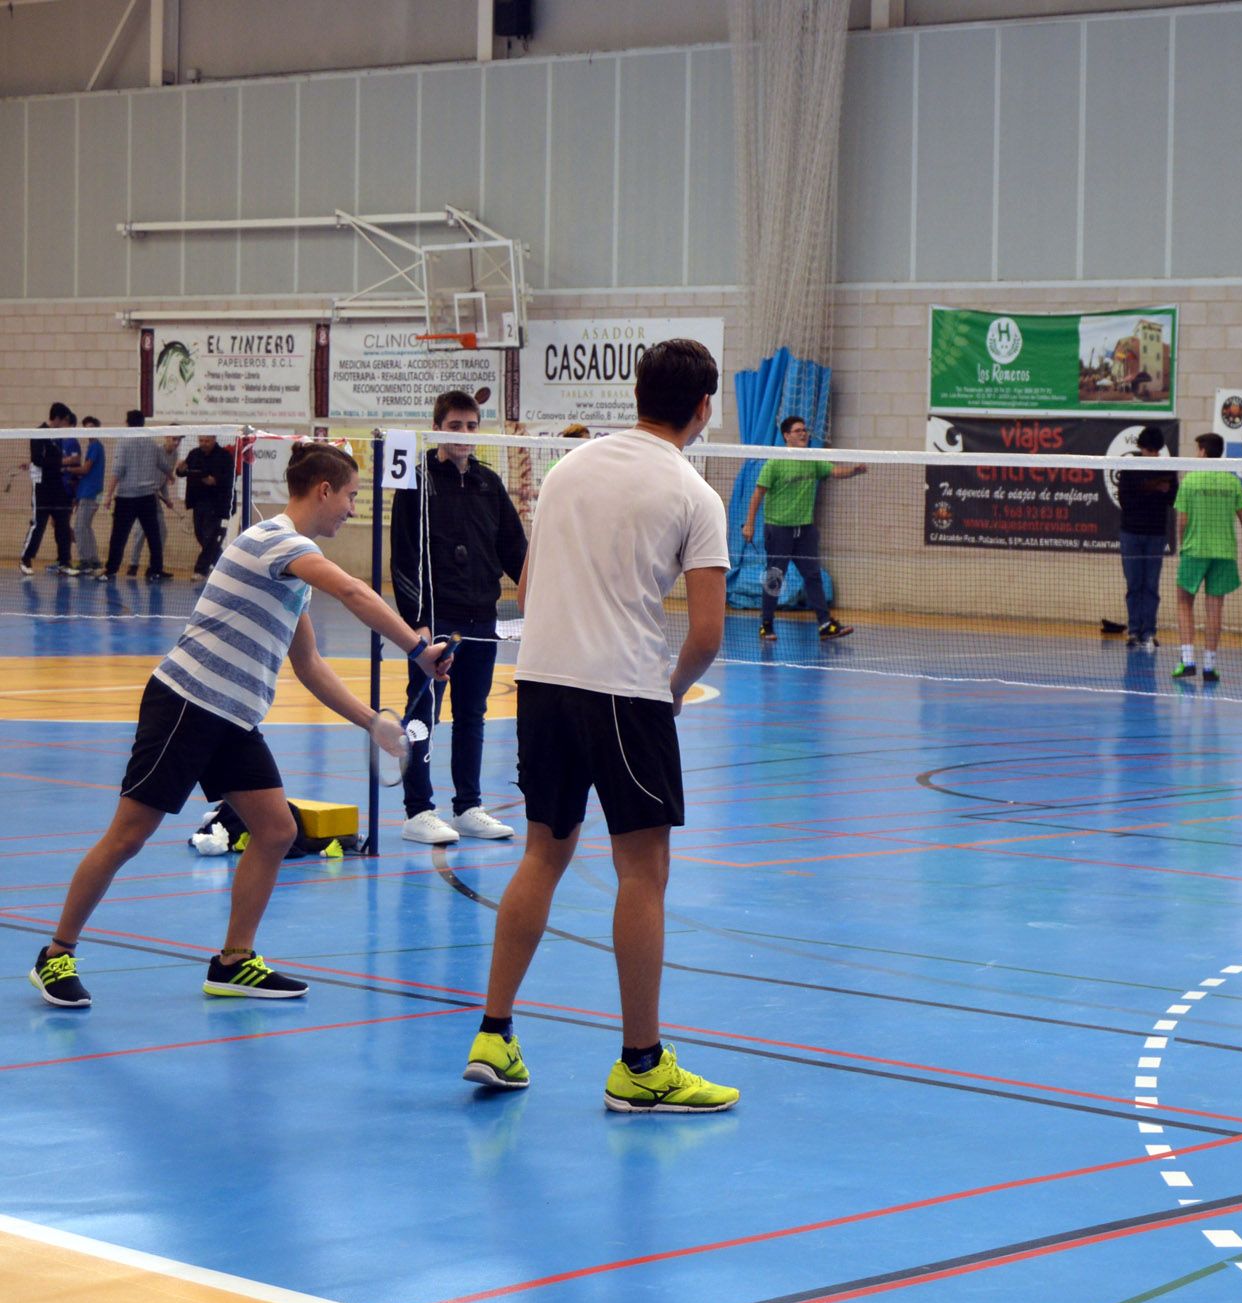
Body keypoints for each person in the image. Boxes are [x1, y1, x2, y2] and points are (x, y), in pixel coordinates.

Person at [29, 443, 452, 1009]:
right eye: (351, 496)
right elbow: (353, 591)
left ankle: (233, 961)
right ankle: (55, 954)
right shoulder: (275, 541)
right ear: (323, 490)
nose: (352, 509)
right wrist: (418, 648)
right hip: (187, 702)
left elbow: (309, 666)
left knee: (276, 831)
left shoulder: (291, 568)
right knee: (129, 835)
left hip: (232, 717)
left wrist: (372, 722)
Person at [464, 338, 738, 1113]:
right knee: (642, 874)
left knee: (543, 854)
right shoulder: (694, 495)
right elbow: (709, 636)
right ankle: (642, 1065)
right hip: (624, 692)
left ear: (638, 393)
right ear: (702, 408)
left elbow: (529, 585)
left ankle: (493, 1033)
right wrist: (673, 691)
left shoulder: (567, 470)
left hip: (542, 683)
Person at [391, 390, 528, 846]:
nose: (465, 435)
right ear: (437, 429)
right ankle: (418, 810)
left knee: (473, 714)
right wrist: (417, 622)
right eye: (455, 426)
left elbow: (516, 552)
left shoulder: (489, 483)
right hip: (438, 622)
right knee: (424, 713)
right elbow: (404, 556)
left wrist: (546, 593)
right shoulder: (417, 482)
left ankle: (467, 806)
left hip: (482, 620)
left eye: (472, 426)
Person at [739, 415, 865, 642]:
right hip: (778, 530)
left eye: (804, 430)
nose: (803, 433)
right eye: (798, 431)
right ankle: (766, 625)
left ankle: (825, 625)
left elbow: (834, 472)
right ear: (787, 436)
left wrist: (854, 470)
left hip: (805, 531)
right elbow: (758, 493)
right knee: (775, 577)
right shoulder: (775, 462)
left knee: (813, 576)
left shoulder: (812, 459)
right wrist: (749, 524)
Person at [1170, 432, 1242, 682]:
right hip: (1224, 553)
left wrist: (1183, 546)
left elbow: (1181, 521)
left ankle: (1187, 661)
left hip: (1195, 551)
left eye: (1197, 450)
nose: (1196, 454)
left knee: (1184, 603)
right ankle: (1210, 666)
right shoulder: (1232, 482)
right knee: (1215, 610)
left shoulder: (1190, 481)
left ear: (1203, 451)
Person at [1115, 425, 1176, 650]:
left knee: (1151, 585)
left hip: (1156, 534)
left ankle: (1149, 631)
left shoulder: (1168, 468)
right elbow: (1125, 501)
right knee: (1134, 584)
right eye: (1147, 450)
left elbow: (1173, 498)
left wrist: (1165, 491)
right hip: (1131, 533)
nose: (1151, 454)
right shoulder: (1129, 466)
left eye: (1155, 450)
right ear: (1140, 447)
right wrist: (1152, 489)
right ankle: (1133, 632)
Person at [101, 411, 176, 581]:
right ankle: (156, 570)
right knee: (154, 536)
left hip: (127, 498)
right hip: (148, 498)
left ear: (127, 423)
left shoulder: (123, 443)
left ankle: (111, 570)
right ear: (143, 423)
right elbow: (163, 464)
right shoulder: (152, 443)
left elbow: (117, 470)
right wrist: (171, 476)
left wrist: (108, 495)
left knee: (119, 536)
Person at [21, 402, 77, 575]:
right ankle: (26, 559)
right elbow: (38, 459)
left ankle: (64, 562)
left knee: (62, 523)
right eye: (64, 421)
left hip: (57, 486)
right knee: (39, 524)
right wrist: (60, 463)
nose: (65, 425)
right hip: (41, 487)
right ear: (58, 419)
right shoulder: (39, 434)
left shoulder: (58, 437)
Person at [177, 433, 234, 576]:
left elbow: (229, 478)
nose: (204, 443)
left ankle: (200, 570)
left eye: (207, 441)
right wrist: (180, 469)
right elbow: (181, 473)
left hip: (216, 503)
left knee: (210, 536)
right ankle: (226, 567)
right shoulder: (194, 454)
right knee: (200, 534)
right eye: (201, 440)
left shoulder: (224, 456)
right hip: (198, 501)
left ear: (214, 439)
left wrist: (214, 481)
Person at [65, 416, 105, 574]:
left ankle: (85, 561)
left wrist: (67, 470)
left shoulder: (95, 446)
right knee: (86, 527)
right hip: (87, 492)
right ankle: (94, 560)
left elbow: (86, 469)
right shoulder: (92, 447)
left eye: (91, 427)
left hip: (91, 492)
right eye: (86, 427)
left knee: (80, 527)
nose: (88, 430)